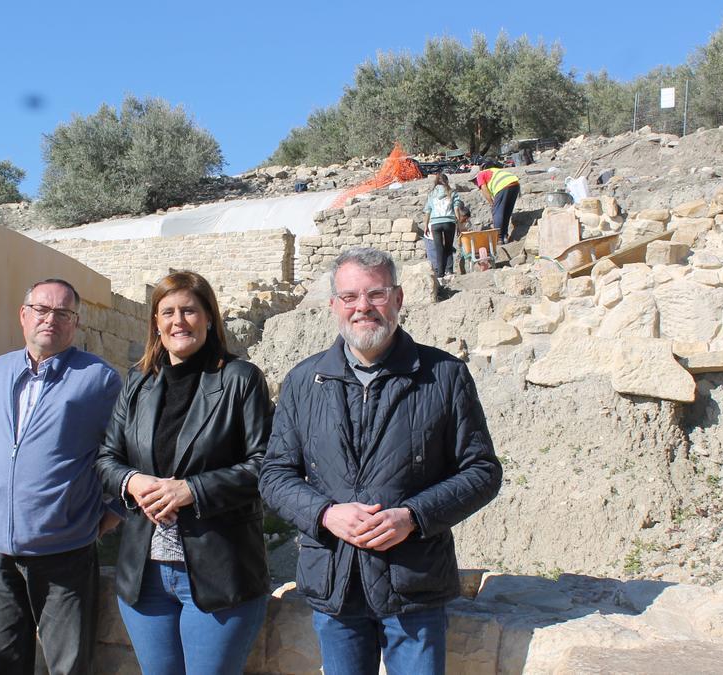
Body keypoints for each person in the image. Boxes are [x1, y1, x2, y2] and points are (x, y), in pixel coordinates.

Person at [259, 248, 502, 675]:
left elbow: (482, 471)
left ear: (399, 299)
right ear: (334, 305)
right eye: (350, 296)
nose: (363, 307)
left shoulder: (443, 375)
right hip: (335, 584)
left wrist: (412, 516)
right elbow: (275, 475)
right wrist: (325, 514)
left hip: (414, 583)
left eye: (376, 294)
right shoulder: (303, 380)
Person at [97, 270, 274, 675]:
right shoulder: (138, 382)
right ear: (156, 324)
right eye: (168, 312)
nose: (179, 321)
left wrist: (191, 490)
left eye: (190, 310)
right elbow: (107, 458)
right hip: (146, 577)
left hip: (219, 574)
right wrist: (132, 481)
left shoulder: (240, 380)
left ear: (209, 317)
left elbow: (266, 465)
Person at [0, 278, 123, 675]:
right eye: (41, 309)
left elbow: (129, 452)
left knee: (68, 664)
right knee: (3, 660)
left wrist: (114, 510)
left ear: (75, 322)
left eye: (62, 313)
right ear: (24, 315)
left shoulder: (100, 380)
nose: (50, 319)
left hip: (64, 550)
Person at [421, 173, 458, 279]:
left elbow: (427, 211)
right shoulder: (452, 192)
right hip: (449, 222)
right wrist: (458, 224)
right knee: (448, 246)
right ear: (447, 181)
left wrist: (426, 226)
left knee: (439, 248)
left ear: (436, 182)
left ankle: (440, 273)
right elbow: (456, 208)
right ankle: (449, 270)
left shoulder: (431, 194)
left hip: (435, 224)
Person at [472, 165, 520, 245]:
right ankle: (504, 236)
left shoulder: (480, 175)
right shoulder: (492, 170)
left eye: (474, 182)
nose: (475, 184)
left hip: (503, 186)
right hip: (515, 184)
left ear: (475, 178)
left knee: (497, 212)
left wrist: (492, 203)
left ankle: (498, 238)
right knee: (506, 212)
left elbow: (484, 189)